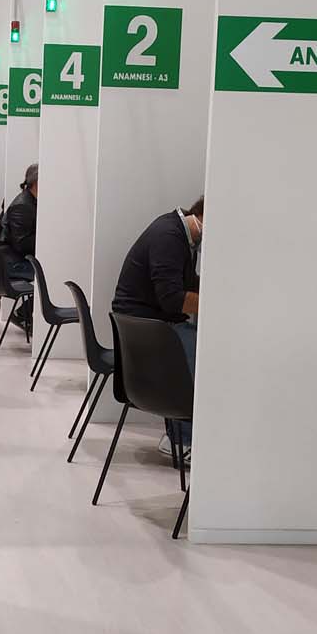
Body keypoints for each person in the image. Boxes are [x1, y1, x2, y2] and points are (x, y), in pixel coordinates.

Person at [112, 197, 203, 461]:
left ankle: (179, 436)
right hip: (143, 329)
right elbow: (172, 298)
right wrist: (216, 304)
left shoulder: (179, 235)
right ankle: (182, 440)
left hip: (142, 325)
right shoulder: (169, 237)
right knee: (198, 352)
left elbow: (186, 282)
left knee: (192, 342)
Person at [0, 163, 38, 332]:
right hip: (13, 263)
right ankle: (23, 314)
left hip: (14, 259)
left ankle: (25, 314)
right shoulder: (23, 206)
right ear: (36, 182)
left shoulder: (29, 201)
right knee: (51, 276)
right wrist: (47, 239)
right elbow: (21, 244)